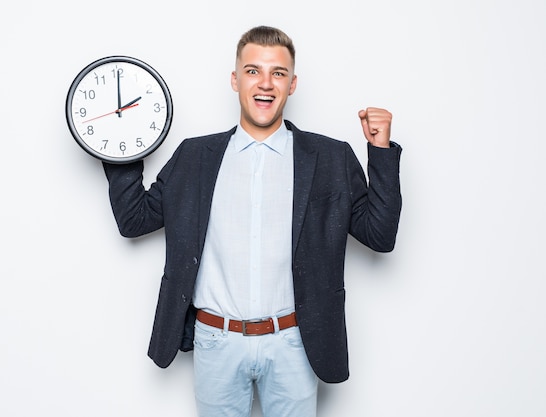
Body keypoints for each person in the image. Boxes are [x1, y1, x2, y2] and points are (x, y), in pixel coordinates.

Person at [103, 25, 402, 417]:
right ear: (235, 79)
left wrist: (380, 152)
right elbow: (134, 219)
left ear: (292, 84)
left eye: (278, 73)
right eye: (252, 71)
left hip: (295, 341)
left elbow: (379, 235)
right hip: (216, 341)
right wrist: (116, 140)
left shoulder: (329, 157)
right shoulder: (195, 157)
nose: (265, 83)